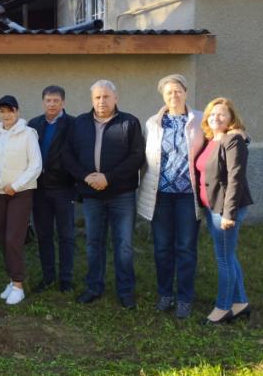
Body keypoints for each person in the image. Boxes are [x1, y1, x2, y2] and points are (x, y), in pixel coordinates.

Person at [64, 80, 145, 309]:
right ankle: (93, 287)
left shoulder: (129, 122)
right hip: (91, 194)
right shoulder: (79, 123)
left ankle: (126, 291)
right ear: (92, 100)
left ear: (115, 98)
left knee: (124, 244)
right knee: (93, 242)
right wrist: (86, 177)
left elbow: (137, 157)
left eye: (106, 97)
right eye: (97, 97)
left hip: (122, 194)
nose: (102, 101)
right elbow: (68, 155)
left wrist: (108, 177)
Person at [137, 75, 204, 319]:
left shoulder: (200, 119)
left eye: (177, 91)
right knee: (162, 248)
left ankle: (185, 298)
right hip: (160, 196)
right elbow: (143, 157)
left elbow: (220, 136)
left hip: (187, 196)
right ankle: (165, 294)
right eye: (169, 92)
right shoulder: (152, 123)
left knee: (186, 248)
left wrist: (239, 137)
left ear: (185, 92)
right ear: (163, 96)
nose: (173, 95)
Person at [195, 97, 253, 325]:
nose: (215, 118)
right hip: (211, 207)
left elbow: (235, 179)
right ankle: (240, 303)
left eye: (221, 114)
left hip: (225, 209)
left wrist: (229, 214)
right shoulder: (211, 140)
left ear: (231, 118)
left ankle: (223, 307)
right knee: (229, 255)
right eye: (212, 114)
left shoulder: (233, 140)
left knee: (224, 259)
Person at [0, 95, 42, 305]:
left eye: (10, 110)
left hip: (20, 193)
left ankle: (18, 285)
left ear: (17, 112)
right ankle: (11, 279)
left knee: (13, 239)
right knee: (2, 238)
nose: (6, 115)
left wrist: (15, 185)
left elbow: (36, 165)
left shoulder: (28, 134)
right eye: (2, 111)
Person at [27, 85, 77, 294]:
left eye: (56, 101)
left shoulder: (73, 124)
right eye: (48, 100)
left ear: (63, 102)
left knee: (66, 235)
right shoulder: (33, 125)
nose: (52, 104)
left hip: (64, 188)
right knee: (44, 235)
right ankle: (48, 277)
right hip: (39, 189)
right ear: (43, 102)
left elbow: (78, 154)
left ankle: (66, 279)